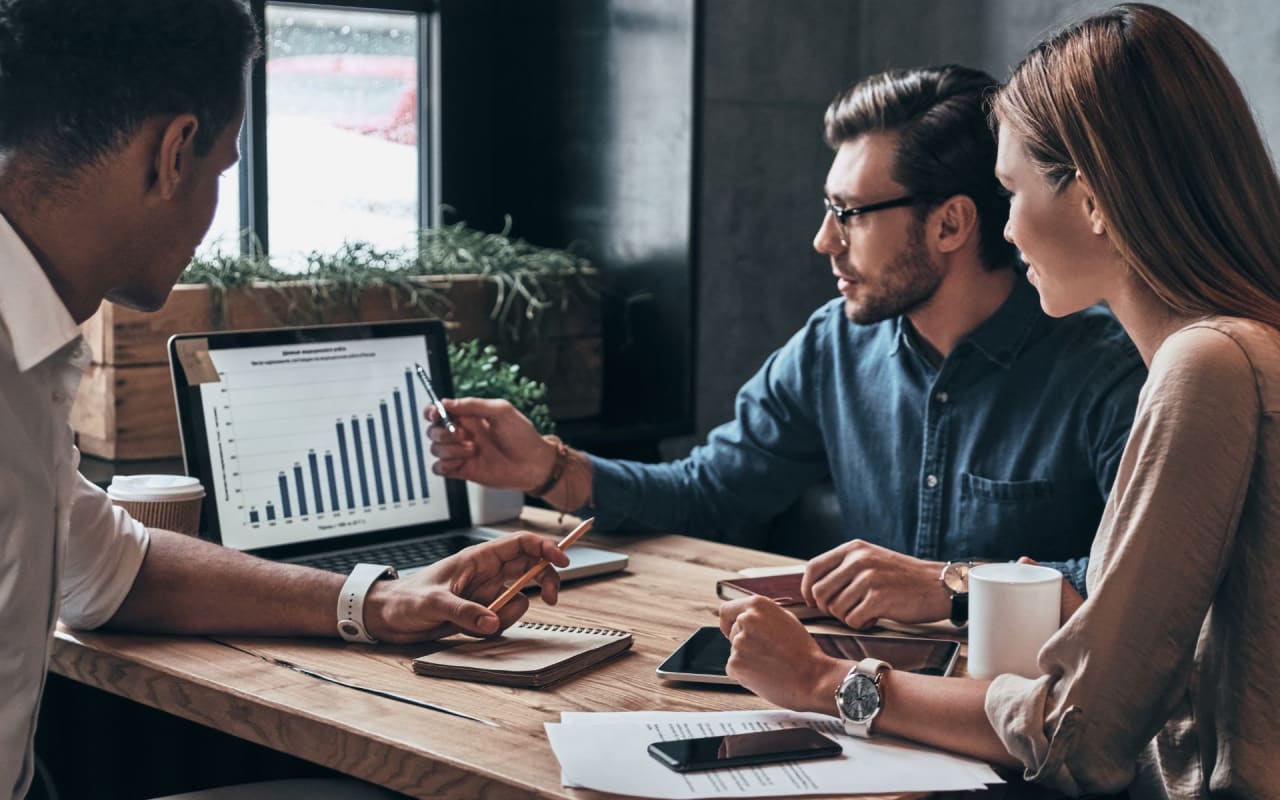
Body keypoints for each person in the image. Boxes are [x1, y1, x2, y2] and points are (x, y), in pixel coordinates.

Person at [0, 3, 569, 798]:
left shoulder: (29, 352)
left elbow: (110, 570)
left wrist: (380, 599)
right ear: (171, 154)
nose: (213, 215)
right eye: (224, 169)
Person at [720, 4, 1280, 796]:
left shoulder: (1206, 366)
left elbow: (1081, 735)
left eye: (1010, 193)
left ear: (1091, 198)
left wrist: (823, 683)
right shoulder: (1247, 347)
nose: (1005, 230)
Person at [427, 65, 1145, 629]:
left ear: (951, 225)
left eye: (849, 215)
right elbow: (710, 495)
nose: (823, 240)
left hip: (1029, 732)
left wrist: (951, 584)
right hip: (860, 705)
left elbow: (1138, 589)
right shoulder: (832, 347)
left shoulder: (1107, 372)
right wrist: (548, 466)